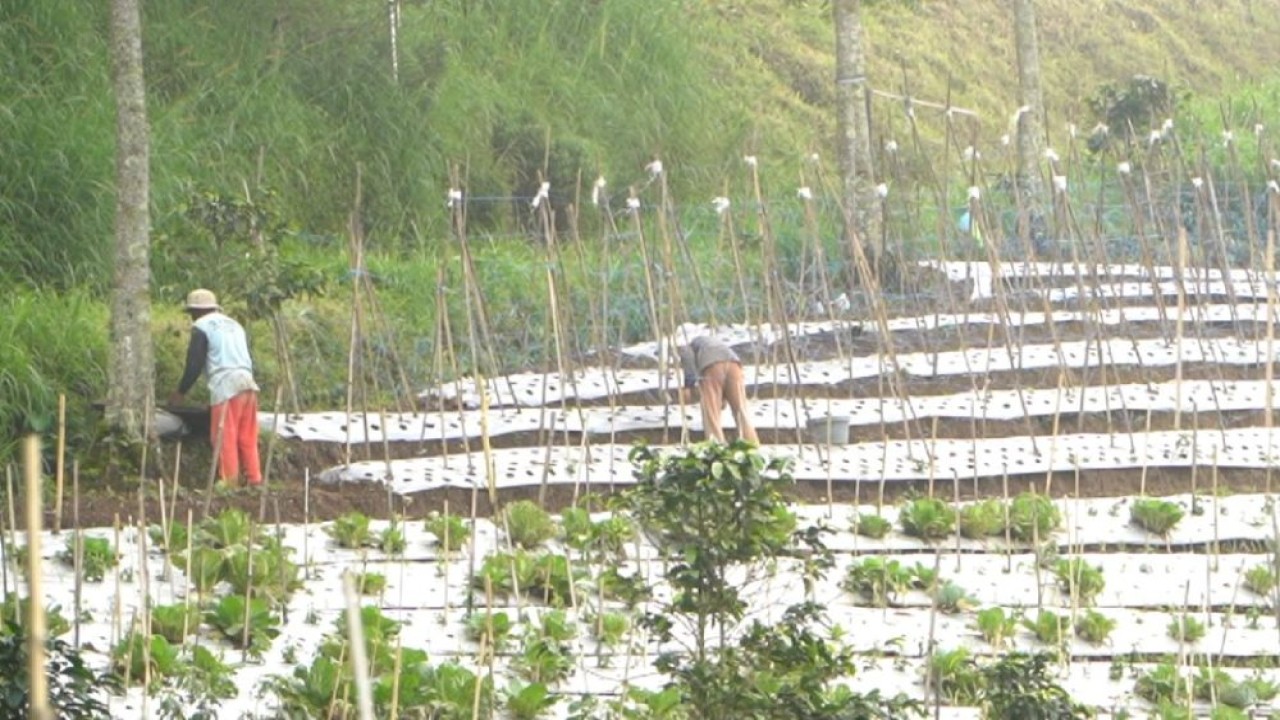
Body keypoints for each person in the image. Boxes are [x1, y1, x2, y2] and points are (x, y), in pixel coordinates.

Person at [168, 289, 263, 487]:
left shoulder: (201, 326)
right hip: (248, 384)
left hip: (226, 386)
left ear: (195, 311)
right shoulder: (235, 325)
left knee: (223, 437)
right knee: (247, 436)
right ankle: (255, 480)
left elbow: (194, 364)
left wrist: (180, 392)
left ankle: (230, 483)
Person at [676, 335, 759, 444]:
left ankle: (716, 446)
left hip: (712, 364)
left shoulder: (687, 347)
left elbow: (688, 360)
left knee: (711, 411)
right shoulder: (711, 342)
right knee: (740, 410)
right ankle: (751, 444)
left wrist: (689, 386)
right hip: (734, 363)